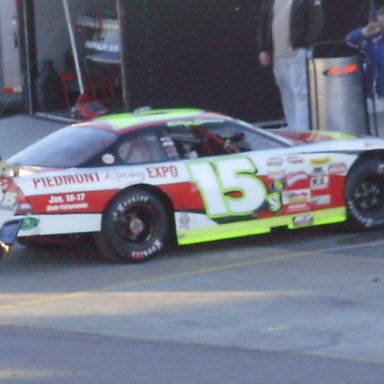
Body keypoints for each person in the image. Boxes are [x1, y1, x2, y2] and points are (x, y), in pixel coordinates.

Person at [258, 0, 324, 131]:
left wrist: (305, 44)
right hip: (277, 53)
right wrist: (263, 49)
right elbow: (264, 23)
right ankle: (293, 126)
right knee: (285, 89)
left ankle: (302, 129)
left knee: (300, 91)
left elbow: (316, 20)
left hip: (297, 51)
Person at [346, 6, 384, 99]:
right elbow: (350, 40)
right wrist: (364, 33)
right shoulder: (373, 37)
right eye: (380, 23)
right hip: (373, 93)